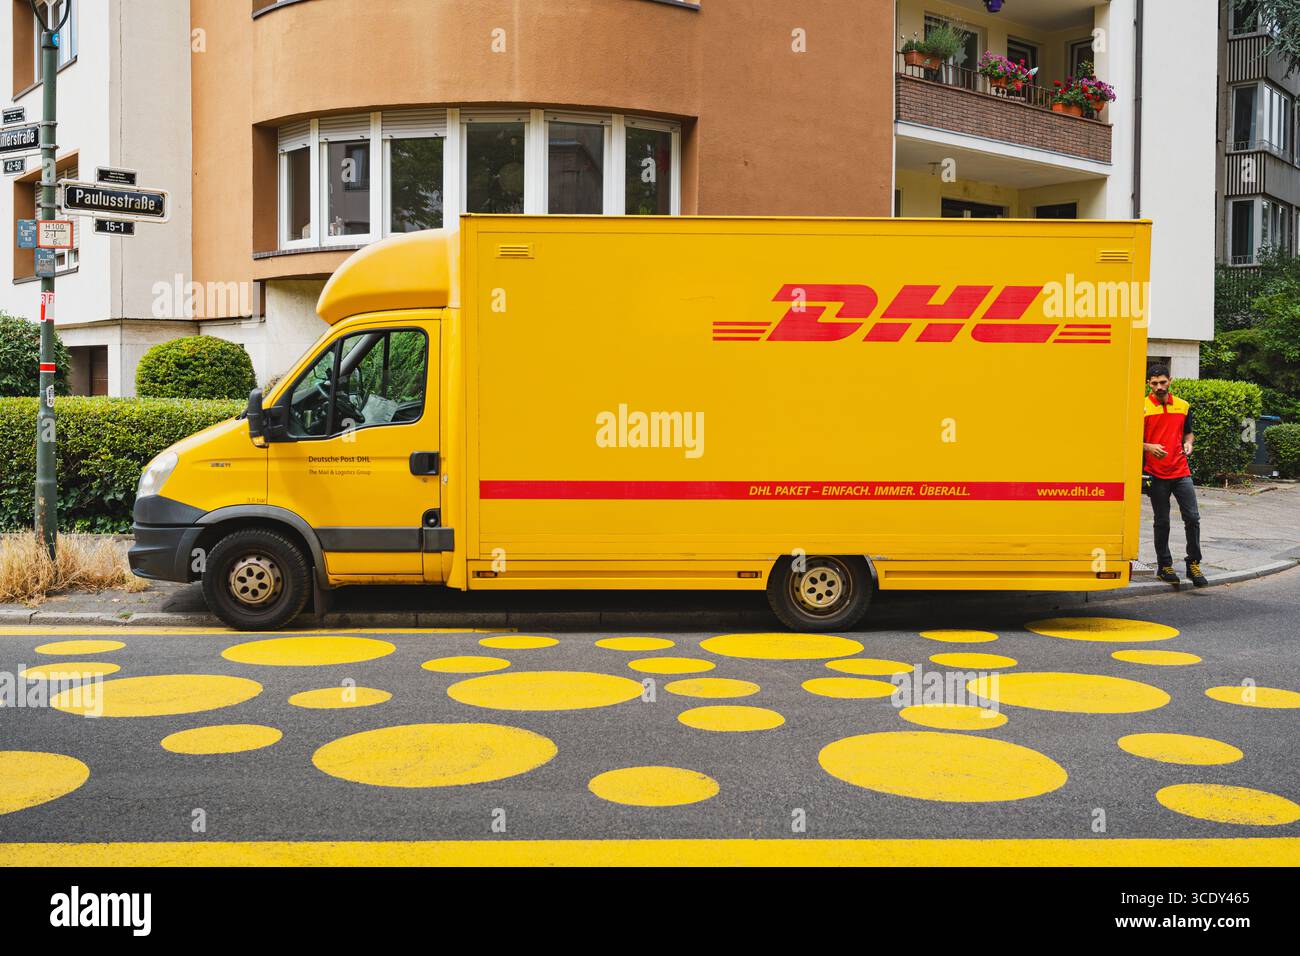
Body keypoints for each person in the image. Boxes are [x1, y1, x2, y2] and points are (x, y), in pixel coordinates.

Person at [1142, 365, 1207, 587]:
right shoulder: (1141, 407)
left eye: (1163, 382)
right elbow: (1128, 437)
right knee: (1162, 521)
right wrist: (1148, 447)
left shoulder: (1183, 405)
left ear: (1170, 380)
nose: (1159, 387)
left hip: (1181, 471)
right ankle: (1164, 565)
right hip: (1155, 473)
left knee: (1193, 518)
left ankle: (1193, 563)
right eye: (1154, 383)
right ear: (1148, 384)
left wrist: (1189, 444)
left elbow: (1188, 433)